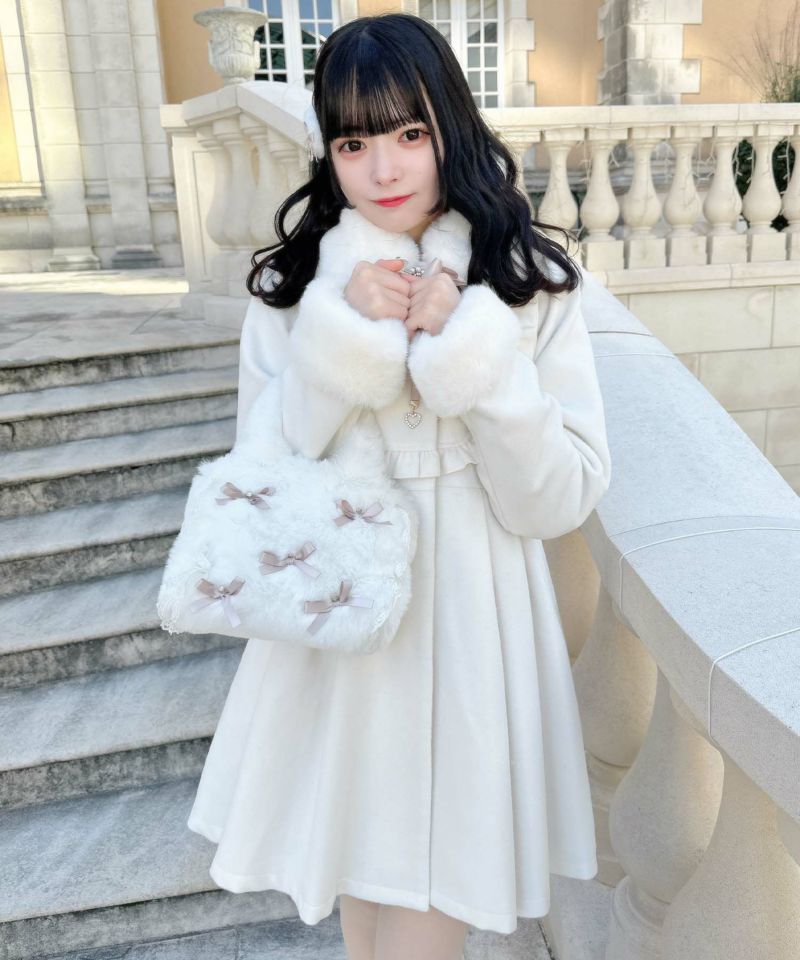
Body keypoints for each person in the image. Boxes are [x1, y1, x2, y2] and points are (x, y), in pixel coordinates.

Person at [186, 12, 612, 960]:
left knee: (424, 915)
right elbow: (262, 475)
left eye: (409, 133)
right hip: (343, 642)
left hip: (472, 636)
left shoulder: (527, 284)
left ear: (448, 127)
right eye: (353, 143)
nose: (383, 169)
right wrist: (339, 340)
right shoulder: (296, 295)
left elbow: (557, 499)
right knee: (370, 917)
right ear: (329, 155)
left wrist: (472, 351)